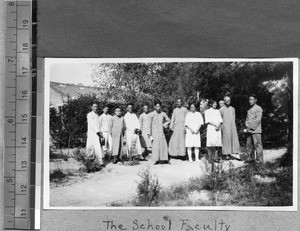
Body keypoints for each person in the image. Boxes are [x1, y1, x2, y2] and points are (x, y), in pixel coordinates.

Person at [219, 96, 241, 160]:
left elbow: (234, 118)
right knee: (226, 140)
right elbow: (220, 119)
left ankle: (237, 154)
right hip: (225, 126)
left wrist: (233, 125)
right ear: (224, 101)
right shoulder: (221, 109)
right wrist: (222, 126)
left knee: (235, 139)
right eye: (227, 100)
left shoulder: (232, 109)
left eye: (229, 100)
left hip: (232, 127)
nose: (228, 101)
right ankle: (227, 154)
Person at [244, 94, 263, 163]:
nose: (250, 101)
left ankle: (259, 162)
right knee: (249, 146)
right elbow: (247, 119)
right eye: (249, 99)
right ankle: (251, 160)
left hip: (256, 130)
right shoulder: (249, 109)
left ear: (255, 100)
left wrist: (249, 127)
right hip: (249, 130)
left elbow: (257, 120)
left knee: (257, 146)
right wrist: (246, 124)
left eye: (251, 99)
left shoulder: (258, 108)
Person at [205, 100, 223, 165]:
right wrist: (215, 125)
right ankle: (210, 159)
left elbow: (220, 120)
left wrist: (218, 125)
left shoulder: (218, 111)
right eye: (214, 103)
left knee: (217, 144)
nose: (215, 104)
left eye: (216, 103)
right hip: (211, 128)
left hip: (217, 129)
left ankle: (216, 158)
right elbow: (207, 121)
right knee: (210, 144)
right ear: (211, 104)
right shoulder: (207, 111)